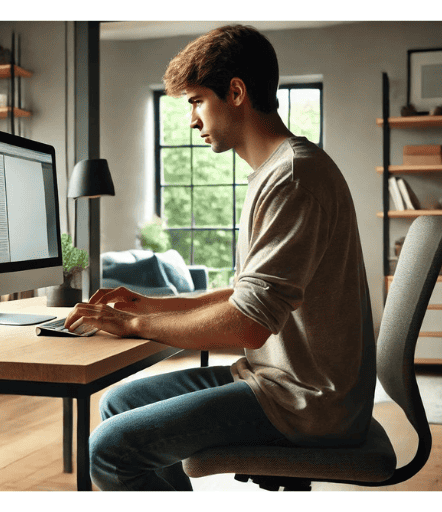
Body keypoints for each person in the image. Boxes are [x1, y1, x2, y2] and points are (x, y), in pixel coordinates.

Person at [64, 24, 376, 491]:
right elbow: (245, 293)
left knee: (110, 449)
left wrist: (135, 326)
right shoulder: (275, 172)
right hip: (272, 379)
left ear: (235, 92)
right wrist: (146, 305)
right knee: (119, 404)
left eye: (195, 100)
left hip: (307, 401)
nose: (192, 119)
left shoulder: (293, 178)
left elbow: (249, 323)